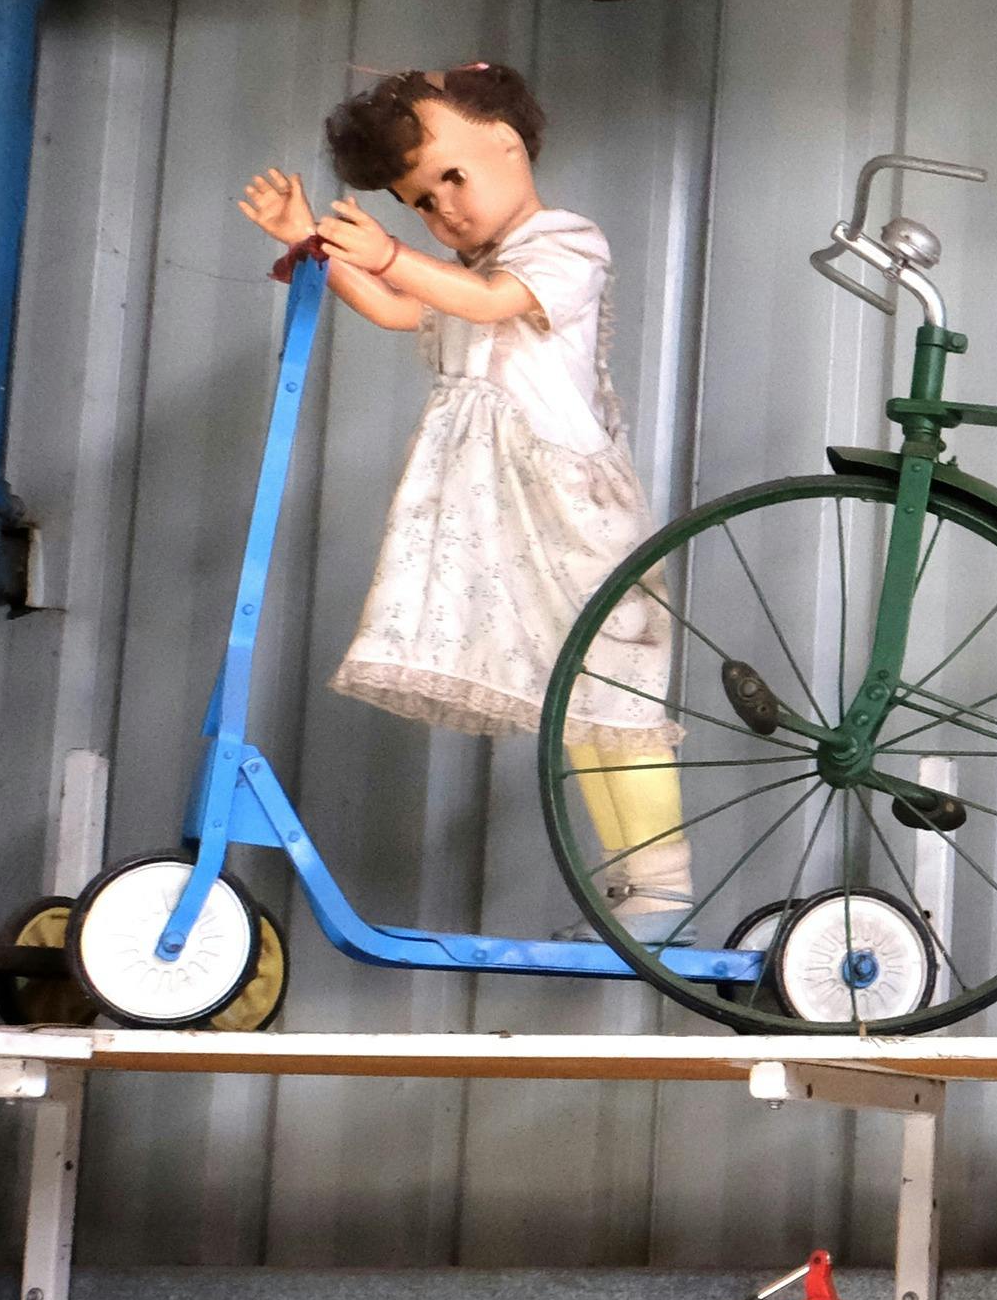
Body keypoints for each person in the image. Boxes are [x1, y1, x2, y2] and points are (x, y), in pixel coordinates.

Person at [232, 62, 691, 929]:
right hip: (503, 504)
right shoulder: (467, 265)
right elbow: (406, 310)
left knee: (616, 696)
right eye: (420, 201)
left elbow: (485, 303)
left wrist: (393, 254)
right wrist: (315, 243)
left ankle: (663, 890)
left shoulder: (564, 242)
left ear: (509, 146)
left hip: (568, 502)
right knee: (574, 704)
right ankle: (638, 891)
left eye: (452, 177)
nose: (445, 210)